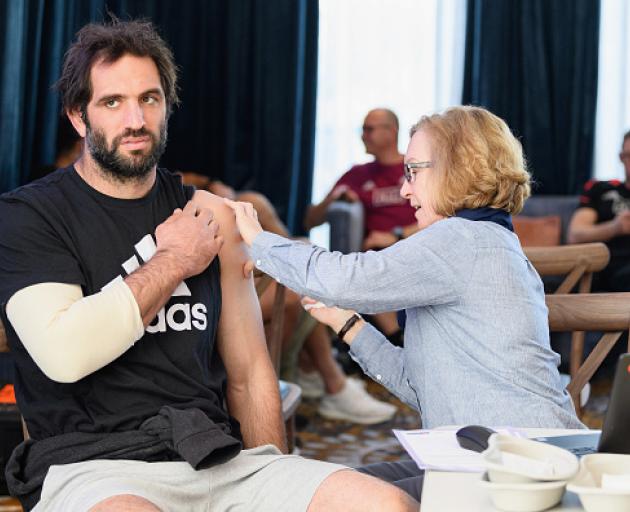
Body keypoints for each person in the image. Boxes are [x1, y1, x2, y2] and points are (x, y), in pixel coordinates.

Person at [0, 20, 417, 512]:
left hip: (215, 459)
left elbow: (248, 372)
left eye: (149, 99)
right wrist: (174, 259)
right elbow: (65, 355)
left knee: (386, 504)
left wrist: (271, 471)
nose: (135, 119)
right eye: (112, 102)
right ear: (78, 116)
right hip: (94, 470)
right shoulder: (29, 217)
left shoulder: (208, 214)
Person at [227, 105, 585, 501]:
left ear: (458, 167)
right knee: (333, 488)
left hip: (518, 470)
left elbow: (348, 277)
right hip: (489, 457)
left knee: (328, 498)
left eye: (414, 171)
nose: (405, 189)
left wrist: (257, 238)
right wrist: (349, 325)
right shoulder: (486, 240)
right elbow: (422, 388)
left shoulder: (462, 240)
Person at [178, 172, 397, 424]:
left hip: (232, 275)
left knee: (278, 228)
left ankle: (315, 373)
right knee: (293, 291)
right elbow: (311, 217)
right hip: (205, 294)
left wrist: (210, 187)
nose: (364, 134)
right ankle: (323, 377)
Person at [305, 109, 416, 341]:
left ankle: (401, 344)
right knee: (369, 267)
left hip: (413, 246)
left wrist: (395, 235)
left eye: (369, 129)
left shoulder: (414, 168)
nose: (363, 136)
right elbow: (310, 221)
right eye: (362, 130)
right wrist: (333, 199)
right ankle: (400, 343)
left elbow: (442, 219)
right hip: (375, 256)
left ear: (391, 131)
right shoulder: (357, 174)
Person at [568, 130, 630, 291]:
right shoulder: (600, 189)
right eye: (629, 155)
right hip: (600, 264)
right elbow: (574, 235)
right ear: (621, 158)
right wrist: (615, 227)